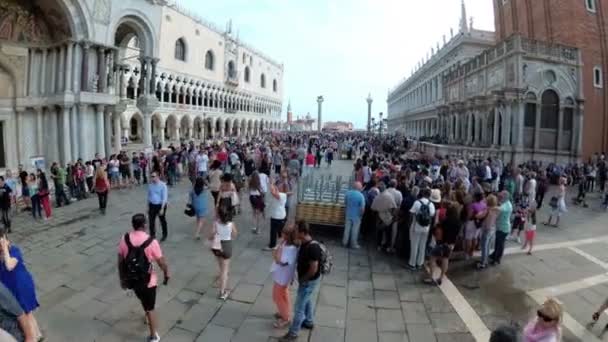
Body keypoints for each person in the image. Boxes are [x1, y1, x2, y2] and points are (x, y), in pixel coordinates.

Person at [118, 214, 170, 342]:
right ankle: (153, 336)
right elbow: (161, 262)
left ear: (133, 225)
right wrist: (166, 273)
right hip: (148, 281)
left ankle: (146, 315)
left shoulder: (124, 239)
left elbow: (120, 262)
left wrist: (122, 279)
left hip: (133, 280)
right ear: (145, 225)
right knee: (151, 307)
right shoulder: (151, 242)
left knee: (143, 299)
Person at [279, 220, 322, 342]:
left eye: (296, 230)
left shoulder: (313, 248)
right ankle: (308, 321)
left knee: (298, 307)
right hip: (307, 281)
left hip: (308, 281)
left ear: (303, 232)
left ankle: (293, 334)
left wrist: (303, 279)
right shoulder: (303, 241)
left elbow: (313, 269)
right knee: (307, 299)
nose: (294, 232)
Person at [0, 228, 42, 340]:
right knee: (25, 314)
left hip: (21, 287)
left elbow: (9, 266)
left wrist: (5, 249)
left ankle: (34, 337)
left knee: (26, 313)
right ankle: (37, 335)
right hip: (11, 289)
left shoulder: (14, 250)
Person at [270, 225, 298, 329]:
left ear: (289, 236)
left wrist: (277, 252)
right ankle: (285, 312)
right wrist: (278, 249)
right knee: (283, 295)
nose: (281, 235)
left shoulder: (292, 249)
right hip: (281, 275)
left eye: (284, 234)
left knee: (277, 297)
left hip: (283, 277)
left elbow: (280, 261)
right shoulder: (285, 243)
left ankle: (285, 318)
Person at [209, 205, 237, 300]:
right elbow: (235, 234)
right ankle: (222, 292)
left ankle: (221, 277)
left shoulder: (215, 223)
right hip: (227, 245)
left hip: (217, 246)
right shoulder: (231, 224)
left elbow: (211, 235)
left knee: (220, 264)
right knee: (225, 271)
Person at [407, 187, 436, 271]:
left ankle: (412, 264)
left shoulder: (417, 202)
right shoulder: (431, 204)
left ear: (422, 193)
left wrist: (409, 224)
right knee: (422, 246)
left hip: (416, 226)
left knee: (414, 245)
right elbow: (432, 215)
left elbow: (411, 214)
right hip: (426, 228)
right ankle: (420, 263)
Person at [477, 194, 499, 269]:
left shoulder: (487, 210)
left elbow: (478, 216)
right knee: (488, 245)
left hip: (486, 229)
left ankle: (483, 262)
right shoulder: (497, 209)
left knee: (484, 246)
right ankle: (486, 259)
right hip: (493, 229)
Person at [491, 191, 513, 265]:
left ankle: (497, 259)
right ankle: (494, 255)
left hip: (503, 228)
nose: (499, 198)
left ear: (504, 197)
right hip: (501, 227)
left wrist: (491, 207)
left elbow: (500, 209)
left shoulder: (506, 205)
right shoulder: (505, 203)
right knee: (497, 243)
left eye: (500, 197)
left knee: (500, 244)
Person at [343, 181, 365, 249]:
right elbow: (362, 208)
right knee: (355, 230)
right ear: (359, 188)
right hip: (357, 216)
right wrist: (361, 215)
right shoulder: (361, 196)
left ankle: (344, 242)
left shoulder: (348, 193)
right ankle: (353, 244)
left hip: (348, 213)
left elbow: (345, 203)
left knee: (347, 229)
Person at [265, 183, 287, 251]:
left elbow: (274, 194)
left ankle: (273, 245)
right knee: (278, 231)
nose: (278, 187)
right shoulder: (280, 194)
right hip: (278, 215)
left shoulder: (283, 195)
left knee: (275, 232)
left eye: (280, 186)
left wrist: (271, 185)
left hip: (277, 216)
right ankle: (279, 244)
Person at [147, 172, 169, 241]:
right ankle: (152, 235)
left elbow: (164, 197)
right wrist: (147, 206)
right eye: (151, 176)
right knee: (151, 221)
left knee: (162, 220)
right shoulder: (150, 185)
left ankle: (164, 234)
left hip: (160, 205)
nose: (152, 178)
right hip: (152, 205)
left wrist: (162, 208)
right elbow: (148, 196)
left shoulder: (163, 185)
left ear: (158, 176)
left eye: (153, 176)